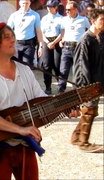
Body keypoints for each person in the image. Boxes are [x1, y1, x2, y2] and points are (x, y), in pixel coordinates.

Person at [0, 20, 46, 179]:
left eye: (12, 35)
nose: (13, 39)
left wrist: (68, 105)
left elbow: (41, 99)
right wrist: (20, 129)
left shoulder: (24, 70)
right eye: (6, 37)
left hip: (26, 145)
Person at [71, 9, 104, 153]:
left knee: (89, 110)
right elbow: (80, 66)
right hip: (89, 84)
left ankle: (76, 137)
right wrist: (85, 88)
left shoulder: (99, 37)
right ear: (93, 21)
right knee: (89, 110)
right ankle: (83, 143)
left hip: (98, 81)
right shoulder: (85, 40)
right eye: (102, 19)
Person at [57, 1, 90, 93]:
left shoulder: (84, 20)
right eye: (65, 9)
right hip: (66, 48)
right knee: (63, 70)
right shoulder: (64, 19)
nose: (66, 11)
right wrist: (61, 39)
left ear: (75, 9)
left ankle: (77, 90)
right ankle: (61, 90)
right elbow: (63, 31)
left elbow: (89, 31)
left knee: (78, 71)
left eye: (68, 9)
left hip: (78, 48)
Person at [7, 0, 44, 66]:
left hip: (29, 45)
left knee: (27, 67)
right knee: (16, 66)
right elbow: (8, 30)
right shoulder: (14, 15)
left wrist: (41, 46)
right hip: (16, 44)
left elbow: (38, 31)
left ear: (29, 3)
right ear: (20, 3)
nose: (25, 5)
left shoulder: (35, 15)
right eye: (23, 3)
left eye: (27, 3)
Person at [40, 0, 63, 95]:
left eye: (51, 6)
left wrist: (54, 42)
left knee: (57, 65)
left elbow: (62, 32)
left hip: (57, 41)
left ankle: (60, 84)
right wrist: (47, 42)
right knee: (46, 65)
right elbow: (41, 32)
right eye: (48, 7)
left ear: (56, 7)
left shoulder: (61, 18)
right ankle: (48, 87)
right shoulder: (44, 18)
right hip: (46, 41)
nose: (49, 8)